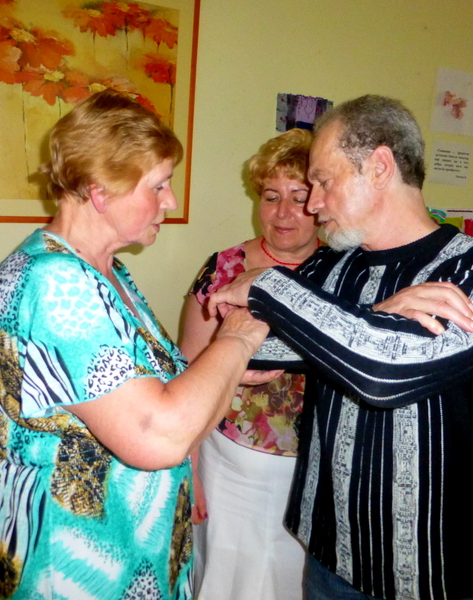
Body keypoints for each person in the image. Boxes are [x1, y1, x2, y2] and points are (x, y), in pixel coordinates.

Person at [209, 95, 473, 600]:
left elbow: (385, 373)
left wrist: (267, 284)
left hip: (436, 575)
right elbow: (252, 351)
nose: (312, 204)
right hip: (329, 558)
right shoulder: (328, 267)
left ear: (380, 167)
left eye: (324, 181)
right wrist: (382, 312)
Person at [0, 90, 271, 600]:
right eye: (158, 185)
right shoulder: (56, 282)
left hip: (134, 552)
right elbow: (157, 437)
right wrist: (238, 337)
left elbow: (142, 389)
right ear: (100, 192)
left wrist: (222, 371)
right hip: (76, 564)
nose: (171, 201)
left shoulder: (106, 272)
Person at [178, 128, 319, 599]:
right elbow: (189, 371)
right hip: (231, 469)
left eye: (299, 198)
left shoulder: (347, 272)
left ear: (322, 201)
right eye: (271, 196)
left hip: (316, 474)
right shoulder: (224, 268)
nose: (282, 212)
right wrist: (188, 471)